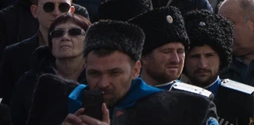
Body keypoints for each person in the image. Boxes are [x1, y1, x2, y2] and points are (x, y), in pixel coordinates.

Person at [33, 19, 217, 125]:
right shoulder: (55, 102)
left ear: (136, 70)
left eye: (114, 73)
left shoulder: (184, 111)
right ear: (85, 68)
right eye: (95, 74)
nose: (103, 83)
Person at [182, 10, 254, 125]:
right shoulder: (173, 97)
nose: (202, 64)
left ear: (221, 59)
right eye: (195, 56)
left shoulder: (243, 99)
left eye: (209, 56)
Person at [8, 12, 90, 125]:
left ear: (88, 40)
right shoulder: (29, 81)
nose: (65, 37)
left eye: (75, 32)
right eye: (57, 33)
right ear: (50, 43)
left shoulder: (100, 79)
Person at [0, 0, 73, 102]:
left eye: (63, 7)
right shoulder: (14, 54)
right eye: (49, 7)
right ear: (35, 11)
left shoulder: (85, 52)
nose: (56, 13)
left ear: (71, 11)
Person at [130, 6, 189, 89]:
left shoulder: (195, 99)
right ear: (144, 57)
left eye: (180, 51)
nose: (176, 59)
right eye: (167, 51)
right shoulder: (126, 97)